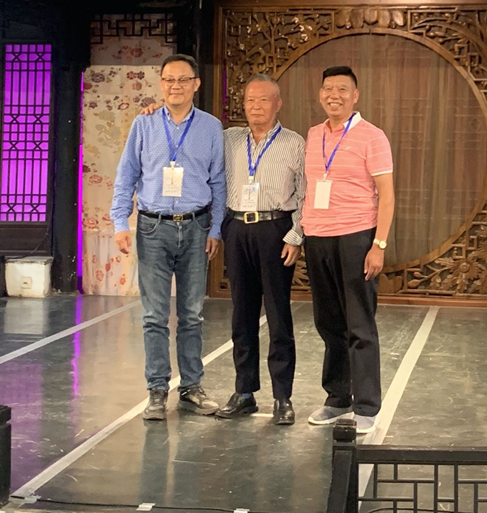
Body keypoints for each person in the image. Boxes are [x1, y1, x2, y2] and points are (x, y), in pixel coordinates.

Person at [110, 53, 226, 421]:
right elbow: (126, 174)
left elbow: (218, 181)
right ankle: (157, 391)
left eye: (183, 80)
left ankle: (191, 387)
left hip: (196, 227)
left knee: (192, 314)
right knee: (154, 316)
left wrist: (216, 228)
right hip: (152, 227)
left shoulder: (211, 127)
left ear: (196, 84)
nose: (175, 86)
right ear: (161, 84)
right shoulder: (143, 124)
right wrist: (119, 222)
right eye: (169, 80)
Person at [302, 66, 395, 435]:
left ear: (355, 96)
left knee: (360, 324)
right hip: (317, 237)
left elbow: (387, 195)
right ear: (320, 94)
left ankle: (367, 406)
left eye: (342, 89)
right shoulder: (314, 134)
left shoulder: (372, 136)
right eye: (328, 88)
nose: (334, 95)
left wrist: (379, 244)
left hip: (357, 237)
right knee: (329, 324)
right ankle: (338, 398)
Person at [216, 74, 305, 425]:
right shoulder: (228, 139)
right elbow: (191, 131)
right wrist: (154, 110)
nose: (255, 107)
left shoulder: (294, 143)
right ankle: (244, 392)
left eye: (263, 100)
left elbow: (306, 193)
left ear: (277, 104)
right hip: (237, 228)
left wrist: (296, 235)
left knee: (279, 315)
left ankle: (283, 396)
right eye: (250, 100)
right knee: (242, 314)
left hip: (275, 229)